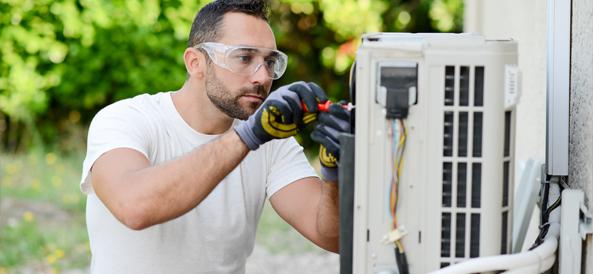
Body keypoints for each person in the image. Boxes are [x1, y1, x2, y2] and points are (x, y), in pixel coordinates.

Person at [79, 0, 351, 273]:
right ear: (195, 63)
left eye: (270, 62)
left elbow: (332, 236)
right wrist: (247, 136)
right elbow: (133, 206)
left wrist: (333, 171)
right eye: (244, 58)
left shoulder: (271, 139)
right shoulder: (126, 119)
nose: (263, 76)